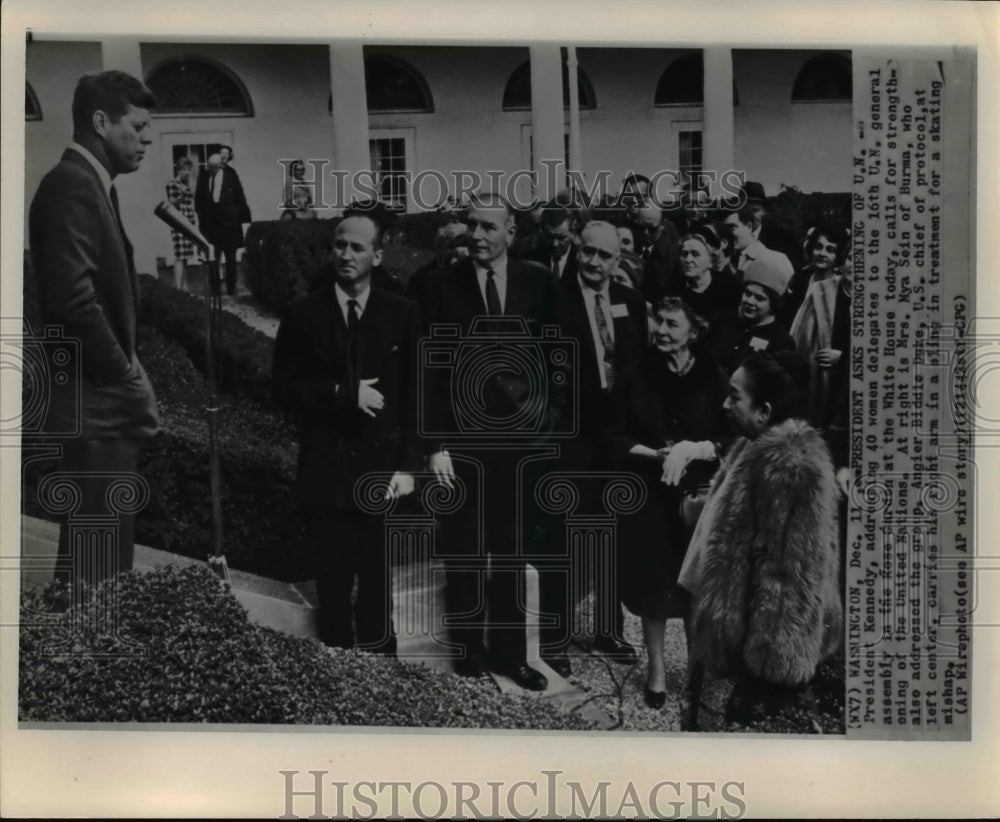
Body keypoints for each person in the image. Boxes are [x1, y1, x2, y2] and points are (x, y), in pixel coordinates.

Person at [28, 70, 161, 587]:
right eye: (140, 125)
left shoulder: (86, 184)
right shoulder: (71, 186)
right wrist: (124, 370)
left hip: (95, 406)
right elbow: (73, 302)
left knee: (100, 561)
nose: (148, 138)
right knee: (96, 569)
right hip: (95, 408)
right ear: (101, 122)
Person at [422, 193, 557, 691]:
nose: (477, 236)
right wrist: (435, 443)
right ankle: (470, 655)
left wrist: (543, 418)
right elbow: (429, 368)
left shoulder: (538, 283)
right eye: (472, 226)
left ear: (511, 233)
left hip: (518, 446)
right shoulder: (441, 287)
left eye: (488, 228)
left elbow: (554, 358)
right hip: (461, 445)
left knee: (510, 551)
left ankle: (510, 655)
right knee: (464, 551)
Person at [272, 213, 421, 656]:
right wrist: (342, 393)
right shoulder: (303, 313)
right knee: (333, 589)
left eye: (357, 248)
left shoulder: (403, 313)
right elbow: (282, 389)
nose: (346, 255)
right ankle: (336, 675)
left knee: (378, 582)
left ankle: (383, 682)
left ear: (377, 255)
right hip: (326, 471)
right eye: (339, 245)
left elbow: (420, 395)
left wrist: (411, 466)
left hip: (381, 472)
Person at [678, 351, 842, 724]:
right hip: (728, 637)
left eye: (735, 396)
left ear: (764, 411)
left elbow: (791, 576)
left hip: (752, 660)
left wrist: (767, 671)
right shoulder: (753, 446)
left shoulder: (791, 468)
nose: (725, 404)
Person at [540, 221, 648, 677]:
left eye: (604, 255)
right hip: (572, 441)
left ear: (617, 261)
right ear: (576, 251)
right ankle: (555, 635)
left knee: (612, 536)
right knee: (565, 538)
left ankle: (608, 629)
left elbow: (638, 372)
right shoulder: (554, 302)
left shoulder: (632, 304)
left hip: (618, 441)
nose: (593, 262)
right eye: (587, 252)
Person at [610, 298, 729, 708]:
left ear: (693, 332)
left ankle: (697, 669)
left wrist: (696, 449)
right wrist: (655, 455)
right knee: (653, 589)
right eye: (657, 321)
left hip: (697, 500)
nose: (660, 329)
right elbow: (615, 436)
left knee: (697, 586)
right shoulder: (635, 376)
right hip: (649, 498)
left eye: (671, 323)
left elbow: (729, 435)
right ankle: (657, 669)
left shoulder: (714, 377)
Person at [791, 259, 852, 429]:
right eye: (852, 257)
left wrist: (845, 358)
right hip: (817, 384)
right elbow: (801, 337)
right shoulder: (822, 292)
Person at [708, 258, 796, 374]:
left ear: (773, 304)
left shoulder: (782, 341)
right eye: (748, 293)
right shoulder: (720, 322)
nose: (749, 301)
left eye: (759, 298)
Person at [194, 149, 251, 296]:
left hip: (229, 225)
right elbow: (198, 199)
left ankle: (231, 288)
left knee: (231, 258)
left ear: (220, 166)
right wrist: (201, 217)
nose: (209, 169)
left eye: (213, 167)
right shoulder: (204, 177)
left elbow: (240, 198)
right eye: (208, 166)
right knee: (213, 257)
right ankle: (215, 288)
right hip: (211, 224)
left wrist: (237, 216)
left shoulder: (231, 177)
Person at [781, 221, 850, 329]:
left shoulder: (841, 289)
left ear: (838, 254)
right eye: (818, 246)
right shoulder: (800, 280)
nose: (822, 253)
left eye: (830, 250)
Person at [666, 230, 742, 322]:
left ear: (710, 261)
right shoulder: (673, 288)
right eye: (684, 254)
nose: (688, 259)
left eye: (695, 254)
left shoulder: (729, 286)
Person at [739, 181, 803, 273]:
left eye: (755, 210)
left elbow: (797, 276)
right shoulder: (730, 239)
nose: (749, 216)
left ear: (764, 211)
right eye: (744, 210)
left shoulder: (785, 240)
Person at [722, 204, 794, 284]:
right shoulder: (725, 259)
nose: (726, 234)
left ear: (749, 226)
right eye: (723, 229)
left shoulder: (776, 259)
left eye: (732, 227)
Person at [165, 156, 199, 291]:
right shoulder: (172, 184)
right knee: (179, 256)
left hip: (188, 223)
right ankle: (178, 289)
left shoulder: (186, 185)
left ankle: (185, 287)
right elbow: (171, 204)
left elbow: (189, 205)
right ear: (178, 170)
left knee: (185, 257)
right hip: (178, 223)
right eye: (184, 169)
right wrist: (182, 196)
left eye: (188, 170)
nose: (187, 172)